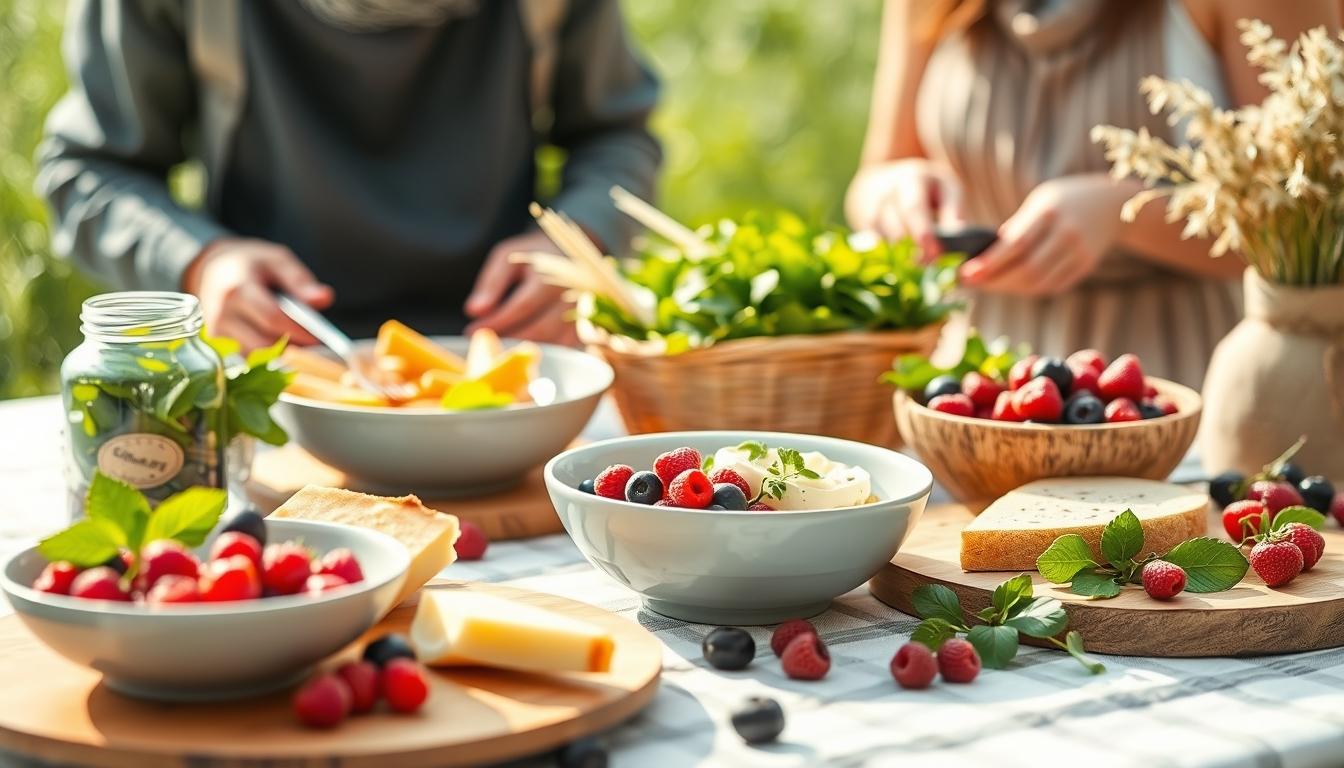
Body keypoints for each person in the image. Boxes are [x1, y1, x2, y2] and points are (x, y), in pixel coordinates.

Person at [37, 0, 660, 350]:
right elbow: (89, 168)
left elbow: (616, 133)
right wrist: (202, 262)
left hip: (519, 368)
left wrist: (577, 243)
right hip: (278, 373)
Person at [846, 0, 1340, 386]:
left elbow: (1320, 218)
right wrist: (894, 193)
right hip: (975, 393)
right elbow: (875, 175)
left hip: (1187, 396)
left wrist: (1122, 213)